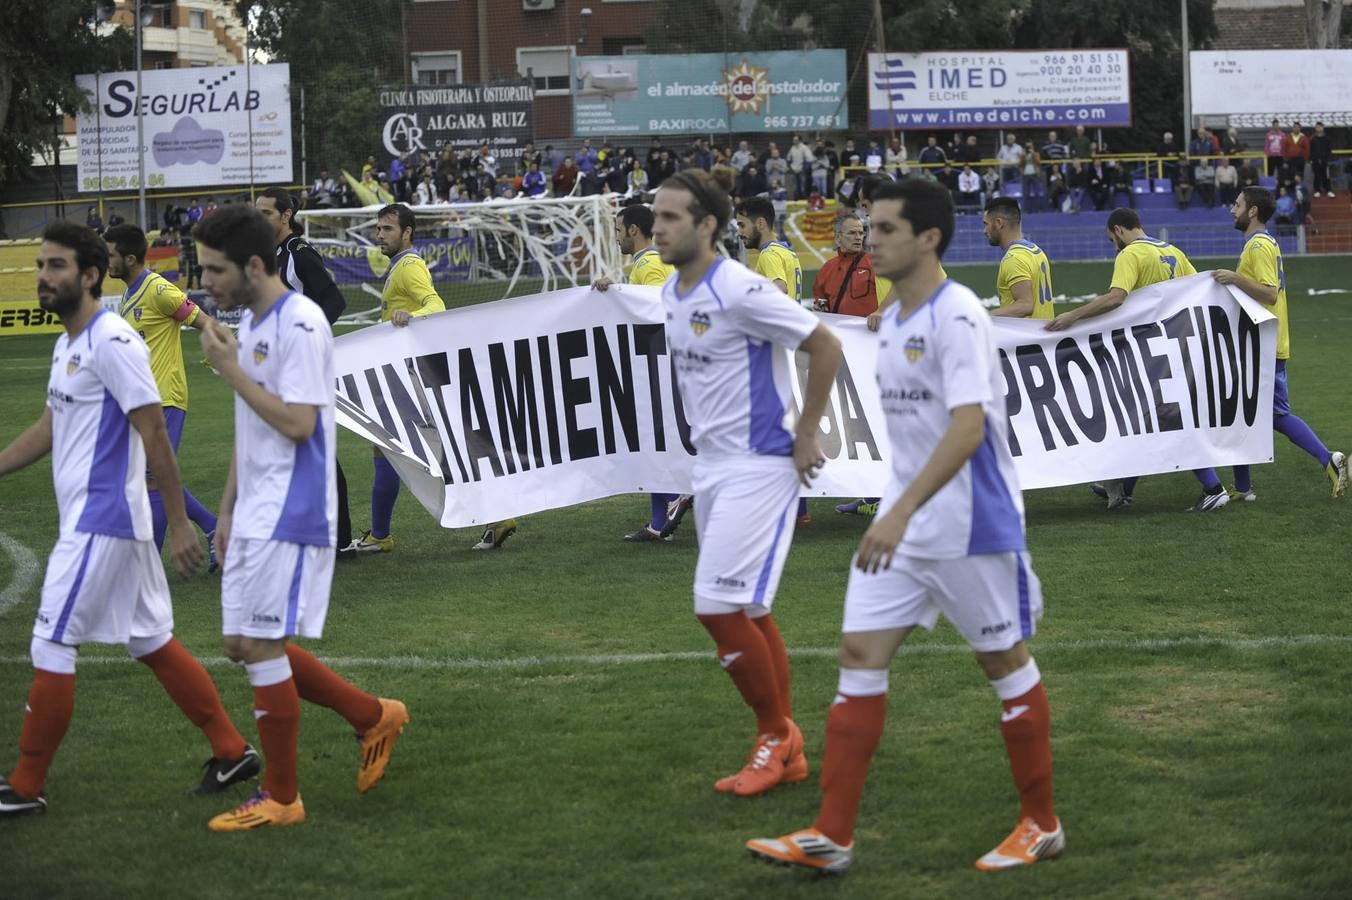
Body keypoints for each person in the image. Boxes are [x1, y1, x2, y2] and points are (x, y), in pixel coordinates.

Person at [745, 179, 1061, 875]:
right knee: (858, 658)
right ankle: (832, 836)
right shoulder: (892, 321)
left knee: (1003, 664)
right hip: (908, 526)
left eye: (886, 229)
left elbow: (968, 429)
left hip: (972, 524)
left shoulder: (958, 319)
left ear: (929, 240)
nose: (870, 239)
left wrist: (899, 510)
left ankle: (1041, 824)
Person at [0, 222, 259, 819]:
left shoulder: (113, 341)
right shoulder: (68, 344)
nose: (44, 276)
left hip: (103, 520)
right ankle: (231, 749)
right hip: (102, 521)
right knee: (150, 640)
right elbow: (50, 425)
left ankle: (25, 783)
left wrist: (181, 520)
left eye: (57, 266)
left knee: (51, 640)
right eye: (41, 265)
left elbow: (153, 432)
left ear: (89, 276)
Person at [193, 205, 409, 831]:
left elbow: (299, 423)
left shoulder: (302, 323)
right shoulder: (255, 324)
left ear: (253, 265)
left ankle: (282, 798)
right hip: (256, 506)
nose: (204, 282)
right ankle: (372, 715)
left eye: (214, 269)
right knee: (242, 642)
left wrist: (231, 372)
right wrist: (226, 511)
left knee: (258, 642)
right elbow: (250, 427)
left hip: (291, 507)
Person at [652, 169, 842, 798]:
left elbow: (824, 343)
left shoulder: (737, 286)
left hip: (761, 466)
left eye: (672, 217)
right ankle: (785, 746)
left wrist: (808, 432)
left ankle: (775, 735)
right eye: (656, 216)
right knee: (750, 609)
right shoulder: (672, 294)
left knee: (716, 605)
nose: (658, 227)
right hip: (712, 466)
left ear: (707, 226)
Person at [1047, 208, 1230, 511]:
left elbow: (1117, 297)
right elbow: (1198, 290)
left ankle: (1213, 487)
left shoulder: (1130, 255)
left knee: (1164, 420)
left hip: (1152, 350)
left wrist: (1074, 316)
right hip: (1178, 346)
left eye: (1112, 239)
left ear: (1118, 230)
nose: (1113, 246)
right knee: (1145, 420)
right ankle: (1124, 488)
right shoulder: (1172, 251)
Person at [1212, 188, 1347, 500]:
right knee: (1242, 413)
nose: (1233, 210)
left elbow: (1269, 293)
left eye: (1237, 205)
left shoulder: (1258, 246)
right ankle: (1243, 488)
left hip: (1262, 344)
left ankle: (1328, 459)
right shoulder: (1264, 242)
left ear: (1253, 211)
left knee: (1273, 415)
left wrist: (1233, 278)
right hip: (1263, 342)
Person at [342, 204, 460, 553]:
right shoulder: (401, 266)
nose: (380, 235)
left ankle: (381, 535)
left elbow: (435, 305)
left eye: (387, 229)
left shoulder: (409, 266)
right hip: (400, 370)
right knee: (388, 448)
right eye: (378, 229)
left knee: (425, 450)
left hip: (409, 373)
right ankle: (380, 534)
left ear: (406, 232)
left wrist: (412, 315)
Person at [103, 223, 220, 568]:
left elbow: (205, 322)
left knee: (153, 480)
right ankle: (214, 528)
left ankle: (147, 566)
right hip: (141, 402)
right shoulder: (127, 296)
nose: (105, 261)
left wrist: (219, 353)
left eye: (110, 255)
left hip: (164, 398)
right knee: (151, 477)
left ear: (129, 257)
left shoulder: (158, 289)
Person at [255, 188, 353, 557]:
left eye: (266, 213)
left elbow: (334, 300)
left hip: (303, 367)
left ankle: (338, 540)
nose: (260, 219)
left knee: (315, 451)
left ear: (286, 216)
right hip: (280, 368)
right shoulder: (272, 255)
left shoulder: (299, 253)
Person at [591, 206, 686, 543]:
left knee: (649, 437)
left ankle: (675, 497)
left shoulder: (649, 263)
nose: (615, 238)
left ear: (633, 230)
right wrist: (616, 291)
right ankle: (660, 523)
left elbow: (660, 308)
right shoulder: (654, 261)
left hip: (658, 362)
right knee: (651, 438)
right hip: (665, 359)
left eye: (618, 230)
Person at [735, 197, 810, 526]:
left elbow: (778, 290)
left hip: (776, 348)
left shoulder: (768, 254)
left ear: (760, 224)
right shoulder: (788, 252)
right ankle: (800, 509)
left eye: (742, 225)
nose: (739, 232)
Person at [982, 198, 1054, 320]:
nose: (984, 231)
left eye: (986, 224)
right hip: (1043, 333)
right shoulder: (1035, 250)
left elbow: (1025, 305)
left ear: (999, 223)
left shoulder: (1013, 259)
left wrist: (984, 316)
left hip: (1029, 336)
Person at [812, 215, 878, 317]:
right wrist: (820, 309)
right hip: (837, 331)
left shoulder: (875, 263)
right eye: (852, 233)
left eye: (861, 233)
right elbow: (821, 303)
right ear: (838, 237)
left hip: (868, 331)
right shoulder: (827, 269)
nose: (858, 237)